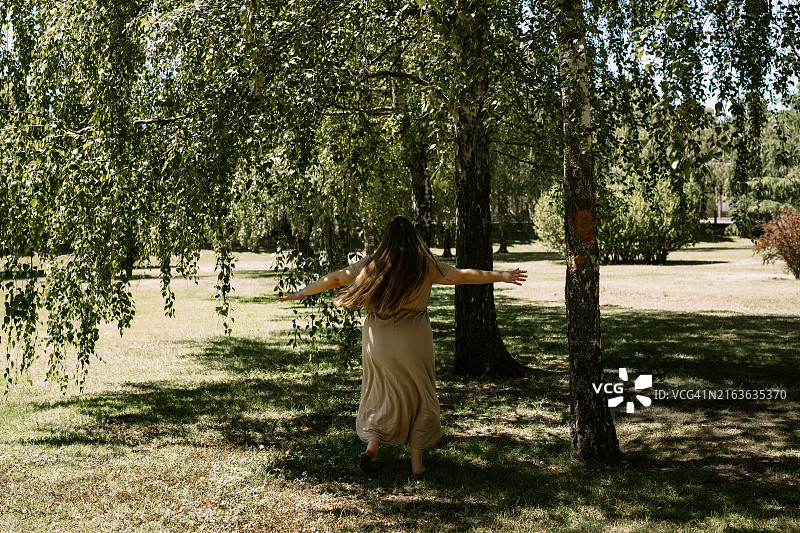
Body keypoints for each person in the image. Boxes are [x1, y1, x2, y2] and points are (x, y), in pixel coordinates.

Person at [279, 216, 527, 475]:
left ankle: (373, 446)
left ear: (386, 240)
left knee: (380, 392)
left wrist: (301, 292)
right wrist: (503, 275)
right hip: (414, 338)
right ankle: (417, 464)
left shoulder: (373, 265)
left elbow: (335, 279)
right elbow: (461, 277)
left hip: (378, 339)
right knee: (420, 393)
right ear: (413, 238)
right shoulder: (424, 264)